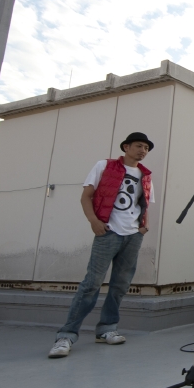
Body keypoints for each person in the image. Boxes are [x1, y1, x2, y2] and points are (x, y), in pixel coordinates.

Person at [48, 132, 155, 358]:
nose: (143, 151)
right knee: (91, 284)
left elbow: (145, 205)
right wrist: (94, 221)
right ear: (126, 147)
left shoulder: (145, 175)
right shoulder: (104, 166)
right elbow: (86, 196)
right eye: (139, 146)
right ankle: (66, 335)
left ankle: (107, 328)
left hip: (133, 235)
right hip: (108, 232)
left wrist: (143, 228)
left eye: (146, 148)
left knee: (120, 285)